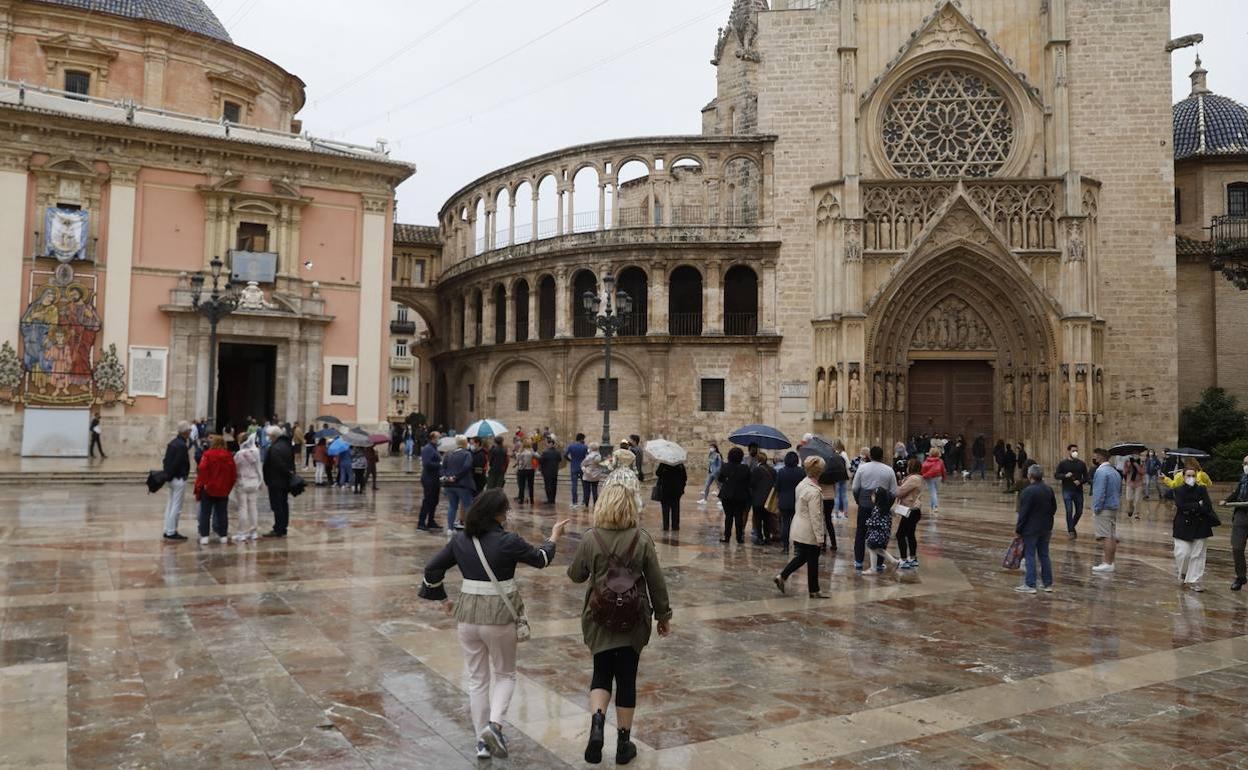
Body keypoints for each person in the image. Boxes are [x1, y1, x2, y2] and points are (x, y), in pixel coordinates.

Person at [419, 490, 569, 760]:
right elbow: (542, 559)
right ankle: (495, 726)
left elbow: (431, 569)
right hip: (499, 616)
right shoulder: (508, 540)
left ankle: (482, 743)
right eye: (506, 510)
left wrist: (442, 598)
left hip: (467, 616)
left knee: (477, 680)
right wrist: (554, 537)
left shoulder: (460, 540)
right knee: (505, 674)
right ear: (498, 514)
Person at [567, 476, 671, 766]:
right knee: (627, 678)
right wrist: (663, 615)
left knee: (601, 672)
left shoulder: (590, 538)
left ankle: (597, 724)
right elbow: (656, 582)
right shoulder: (642, 539)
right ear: (629, 507)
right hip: (633, 619)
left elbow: (576, 575)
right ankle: (624, 744)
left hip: (599, 618)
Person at [774, 455, 829, 597]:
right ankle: (814, 590)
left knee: (803, 556)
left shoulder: (803, 484)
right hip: (808, 529)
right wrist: (820, 536)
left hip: (798, 526)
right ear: (820, 472)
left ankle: (782, 576)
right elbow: (815, 516)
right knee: (812, 559)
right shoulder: (814, 491)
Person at [850, 446, 898, 573]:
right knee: (881, 533)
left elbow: (855, 488)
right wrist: (886, 505)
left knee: (861, 532)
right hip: (882, 507)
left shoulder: (862, 468)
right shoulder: (889, 470)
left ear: (870, 455)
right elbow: (894, 492)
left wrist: (858, 500)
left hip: (865, 504)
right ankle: (879, 564)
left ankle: (859, 561)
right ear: (882, 456)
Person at [1172, 463, 1218, 592]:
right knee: (1183, 553)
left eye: (1193, 475)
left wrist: (1195, 506)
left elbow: (1207, 506)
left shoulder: (1202, 489)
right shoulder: (1178, 490)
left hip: (1201, 525)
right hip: (1182, 525)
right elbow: (1181, 505)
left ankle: (1195, 580)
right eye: (1188, 475)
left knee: (1198, 555)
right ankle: (1183, 572)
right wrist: (1197, 505)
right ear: (1184, 476)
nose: (1191, 478)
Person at [1014, 463, 1057, 593]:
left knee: (1030, 555)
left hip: (1031, 528)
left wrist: (1018, 529)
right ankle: (1047, 584)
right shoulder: (1048, 489)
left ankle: (1030, 584)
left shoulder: (1028, 491)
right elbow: (1053, 508)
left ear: (1030, 475)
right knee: (1044, 555)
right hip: (1046, 527)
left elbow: (1024, 512)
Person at [194, 435, 236, 545]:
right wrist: (228, 487)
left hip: (209, 488)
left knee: (205, 513)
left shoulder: (207, 454)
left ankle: (205, 536)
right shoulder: (229, 456)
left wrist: (204, 483)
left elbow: (202, 469)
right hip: (223, 490)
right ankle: (223, 536)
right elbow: (233, 475)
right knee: (222, 513)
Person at [1090, 448, 1121, 574]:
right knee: (1111, 535)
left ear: (1101, 457)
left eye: (1096, 456)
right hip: (1113, 506)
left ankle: (1107, 562)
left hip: (1104, 508)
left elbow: (1099, 491)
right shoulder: (1114, 471)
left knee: (1106, 536)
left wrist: (1096, 508)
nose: (1095, 458)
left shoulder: (1101, 472)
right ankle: (1110, 562)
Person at [262, 425, 295, 538]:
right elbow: (292, 462)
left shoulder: (274, 448)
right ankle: (283, 527)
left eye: (269, 436)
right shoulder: (287, 445)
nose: (269, 438)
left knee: (277, 506)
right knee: (284, 504)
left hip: (275, 481)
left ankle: (279, 529)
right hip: (284, 481)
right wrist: (290, 474)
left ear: (274, 436)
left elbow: (277, 464)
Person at [161, 422, 192, 541]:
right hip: (178, 478)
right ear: (184, 432)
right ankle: (171, 531)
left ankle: (167, 529)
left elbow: (166, 461)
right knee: (176, 506)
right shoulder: (181, 445)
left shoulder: (173, 443)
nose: (190, 432)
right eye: (189, 430)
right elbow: (177, 463)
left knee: (170, 505)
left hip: (171, 478)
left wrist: (168, 475)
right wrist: (179, 475)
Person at [1221, 454, 1248, 591]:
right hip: (1241, 515)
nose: (1246, 466)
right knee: (1237, 547)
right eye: (1244, 463)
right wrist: (1227, 500)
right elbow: (1237, 492)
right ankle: (1241, 576)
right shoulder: (1243, 478)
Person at [716, 446, 752, 544]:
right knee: (739, 517)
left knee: (728, 516)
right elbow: (749, 481)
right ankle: (739, 538)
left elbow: (720, 479)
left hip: (727, 495)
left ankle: (727, 537)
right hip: (741, 495)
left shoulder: (725, 466)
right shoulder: (745, 468)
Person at [442, 436, 476, 532]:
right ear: (465, 443)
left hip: (449, 484)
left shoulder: (448, 454)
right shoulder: (467, 454)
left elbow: (443, 468)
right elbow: (466, 466)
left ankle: (449, 528)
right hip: (462, 484)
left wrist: (448, 477)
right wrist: (456, 477)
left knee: (452, 506)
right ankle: (470, 528)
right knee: (468, 506)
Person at [1055, 444, 1089, 539]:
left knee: (1079, 511)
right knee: (1069, 510)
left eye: (1076, 451)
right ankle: (1071, 531)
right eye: (1073, 451)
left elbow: (1086, 477)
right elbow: (1056, 475)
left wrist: (1081, 481)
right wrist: (1065, 476)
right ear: (1068, 451)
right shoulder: (1063, 463)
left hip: (1078, 491)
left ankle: (1071, 527)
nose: (1075, 452)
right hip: (1067, 490)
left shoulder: (1081, 464)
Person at [233, 433, 262, 542]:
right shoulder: (256, 453)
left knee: (243, 508)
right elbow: (259, 467)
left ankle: (242, 532)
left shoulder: (239, 454)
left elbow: (234, 468)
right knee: (253, 508)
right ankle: (253, 531)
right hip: (254, 482)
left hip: (242, 482)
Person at [895, 458, 924, 569]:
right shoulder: (918, 478)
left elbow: (900, 492)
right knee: (910, 534)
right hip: (915, 510)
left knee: (900, 534)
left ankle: (903, 559)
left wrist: (896, 486)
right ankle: (912, 557)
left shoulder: (913, 479)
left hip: (910, 510)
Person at [774, 451, 804, 555]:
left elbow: (777, 488)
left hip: (784, 501)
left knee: (785, 524)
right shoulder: (801, 472)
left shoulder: (781, 472)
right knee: (797, 525)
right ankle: (797, 547)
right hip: (797, 501)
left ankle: (785, 547)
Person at [749, 454, 776, 545]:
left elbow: (751, 483)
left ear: (758, 460)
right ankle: (767, 537)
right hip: (768, 499)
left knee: (758, 519)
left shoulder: (756, 470)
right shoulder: (772, 470)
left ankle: (759, 537)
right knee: (767, 519)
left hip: (758, 499)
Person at [418, 432, 442, 531]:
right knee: (428, 501)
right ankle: (421, 522)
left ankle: (431, 521)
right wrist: (440, 464)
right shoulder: (428, 448)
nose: (440, 439)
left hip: (435, 478)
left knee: (434, 501)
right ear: (433, 438)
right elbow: (427, 463)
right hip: (429, 478)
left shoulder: (434, 448)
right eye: (439, 437)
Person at [654, 459, 687, 532]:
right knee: (675, 508)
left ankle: (666, 526)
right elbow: (684, 477)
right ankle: (675, 526)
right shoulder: (680, 465)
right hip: (676, 491)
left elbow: (657, 473)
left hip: (665, 490)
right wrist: (681, 488)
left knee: (665, 508)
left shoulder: (663, 464)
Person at [565, 433, 589, 509]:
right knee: (584, 484)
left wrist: (571, 460)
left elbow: (565, 455)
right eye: (583, 439)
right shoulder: (585, 447)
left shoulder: (571, 446)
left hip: (574, 467)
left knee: (574, 485)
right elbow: (588, 457)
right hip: (582, 467)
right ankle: (584, 501)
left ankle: (574, 502)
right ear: (581, 439)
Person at [920, 447, 946, 514]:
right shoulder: (940, 461)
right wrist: (944, 478)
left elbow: (922, 470)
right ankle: (933, 506)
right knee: (934, 492)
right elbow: (943, 470)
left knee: (933, 492)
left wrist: (922, 477)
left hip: (929, 478)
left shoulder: (926, 461)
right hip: (938, 477)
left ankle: (934, 506)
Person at [830, 439, 850, 519]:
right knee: (844, 495)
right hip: (843, 476)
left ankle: (836, 512)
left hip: (836, 476)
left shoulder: (834, 453)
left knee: (837, 495)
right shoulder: (843, 453)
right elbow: (848, 465)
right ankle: (844, 513)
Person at [539, 439, 562, 505]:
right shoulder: (557, 452)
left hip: (546, 472)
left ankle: (549, 499)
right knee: (554, 485)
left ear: (549, 444)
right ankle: (553, 499)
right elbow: (560, 459)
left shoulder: (545, 452)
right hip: (554, 471)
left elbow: (540, 461)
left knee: (548, 485)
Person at [582, 442, 604, 509]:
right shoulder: (599, 456)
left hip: (588, 475)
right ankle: (595, 503)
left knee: (586, 490)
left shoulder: (589, 456)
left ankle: (586, 504)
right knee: (595, 490)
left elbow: (583, 463)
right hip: (596, 475)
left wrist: (583, 469)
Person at [514, 439, 536, 505]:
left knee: (521, 486)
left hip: (521, 470)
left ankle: (521, 499)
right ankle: (532, 500)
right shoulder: (531, 451)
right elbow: (538, 456)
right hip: (530, 470)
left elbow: (517, 460)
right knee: (531, 486)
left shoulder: (520, 452)